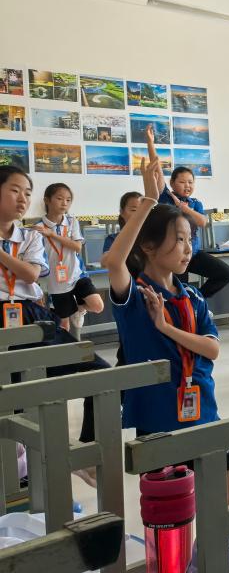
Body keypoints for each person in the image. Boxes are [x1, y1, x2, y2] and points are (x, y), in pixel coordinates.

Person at [106, 156, 229, 562]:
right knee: (174, 507)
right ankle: (181, 571)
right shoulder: (135, 295)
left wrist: (167, 328)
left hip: (202, 411)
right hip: (160, 420)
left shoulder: (192, 297)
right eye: (178, 239)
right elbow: (113, 261)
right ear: (149, 246)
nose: (187, 249)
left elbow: (213, 349)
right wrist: (150, 201)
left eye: (189, 239)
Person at [0, 165, 110, 478]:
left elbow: (30, 274)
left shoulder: (29, 236)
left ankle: (86, 450)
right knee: (14, 396)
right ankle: (23, 468)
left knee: (99, 372)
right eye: (15, 190)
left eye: (27, 193)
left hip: (32, 317)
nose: (23, 199)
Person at [158, 129, 229, 299]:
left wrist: (184, 208)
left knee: (225, 273)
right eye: (182, 182)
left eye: (191, 182)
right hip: (173, 254)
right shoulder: (166, 197)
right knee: (179, 291)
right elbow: (157, 174)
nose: (187, 186)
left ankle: (197, 300)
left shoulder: (195, 203)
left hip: (194, 253)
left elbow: (202, 222)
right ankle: (186, 305)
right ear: (172, 183)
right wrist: (150, 144)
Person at [35, 183, 103, 333]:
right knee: (64, 325)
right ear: (47, 200)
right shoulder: (39, 227)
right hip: (56, 282)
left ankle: (79, 308)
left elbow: (77, 247)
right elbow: (36, 258)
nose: (64, 203)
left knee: (97, 305)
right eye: (60, 198)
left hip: (77, 275)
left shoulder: (72, 221)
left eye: (68, 200)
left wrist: (52, 234)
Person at [102, 191, 143, 258]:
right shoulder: (112, 240)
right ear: (122, 212)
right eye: (134, 210)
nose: (139, 214)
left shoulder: (150, 238)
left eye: (143, 210)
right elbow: (108, 261)